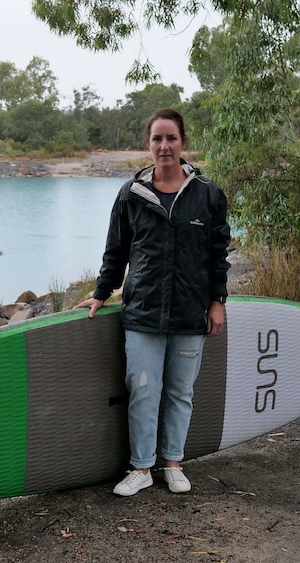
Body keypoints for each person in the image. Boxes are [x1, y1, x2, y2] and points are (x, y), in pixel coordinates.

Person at [74, 108, 231, 496]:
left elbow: (217, 254)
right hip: (143, 312)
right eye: (157, 139)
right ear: (149, 145)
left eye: (171, 138)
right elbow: (117, 251)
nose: (164, 146)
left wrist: (218, 301)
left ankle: (173, 464)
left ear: (183, 143)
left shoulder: (207, 195)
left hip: (191, 313)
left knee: (180, 392)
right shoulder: (131, 195)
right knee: (143, 390)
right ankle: (141, 468)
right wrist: (100, 293)